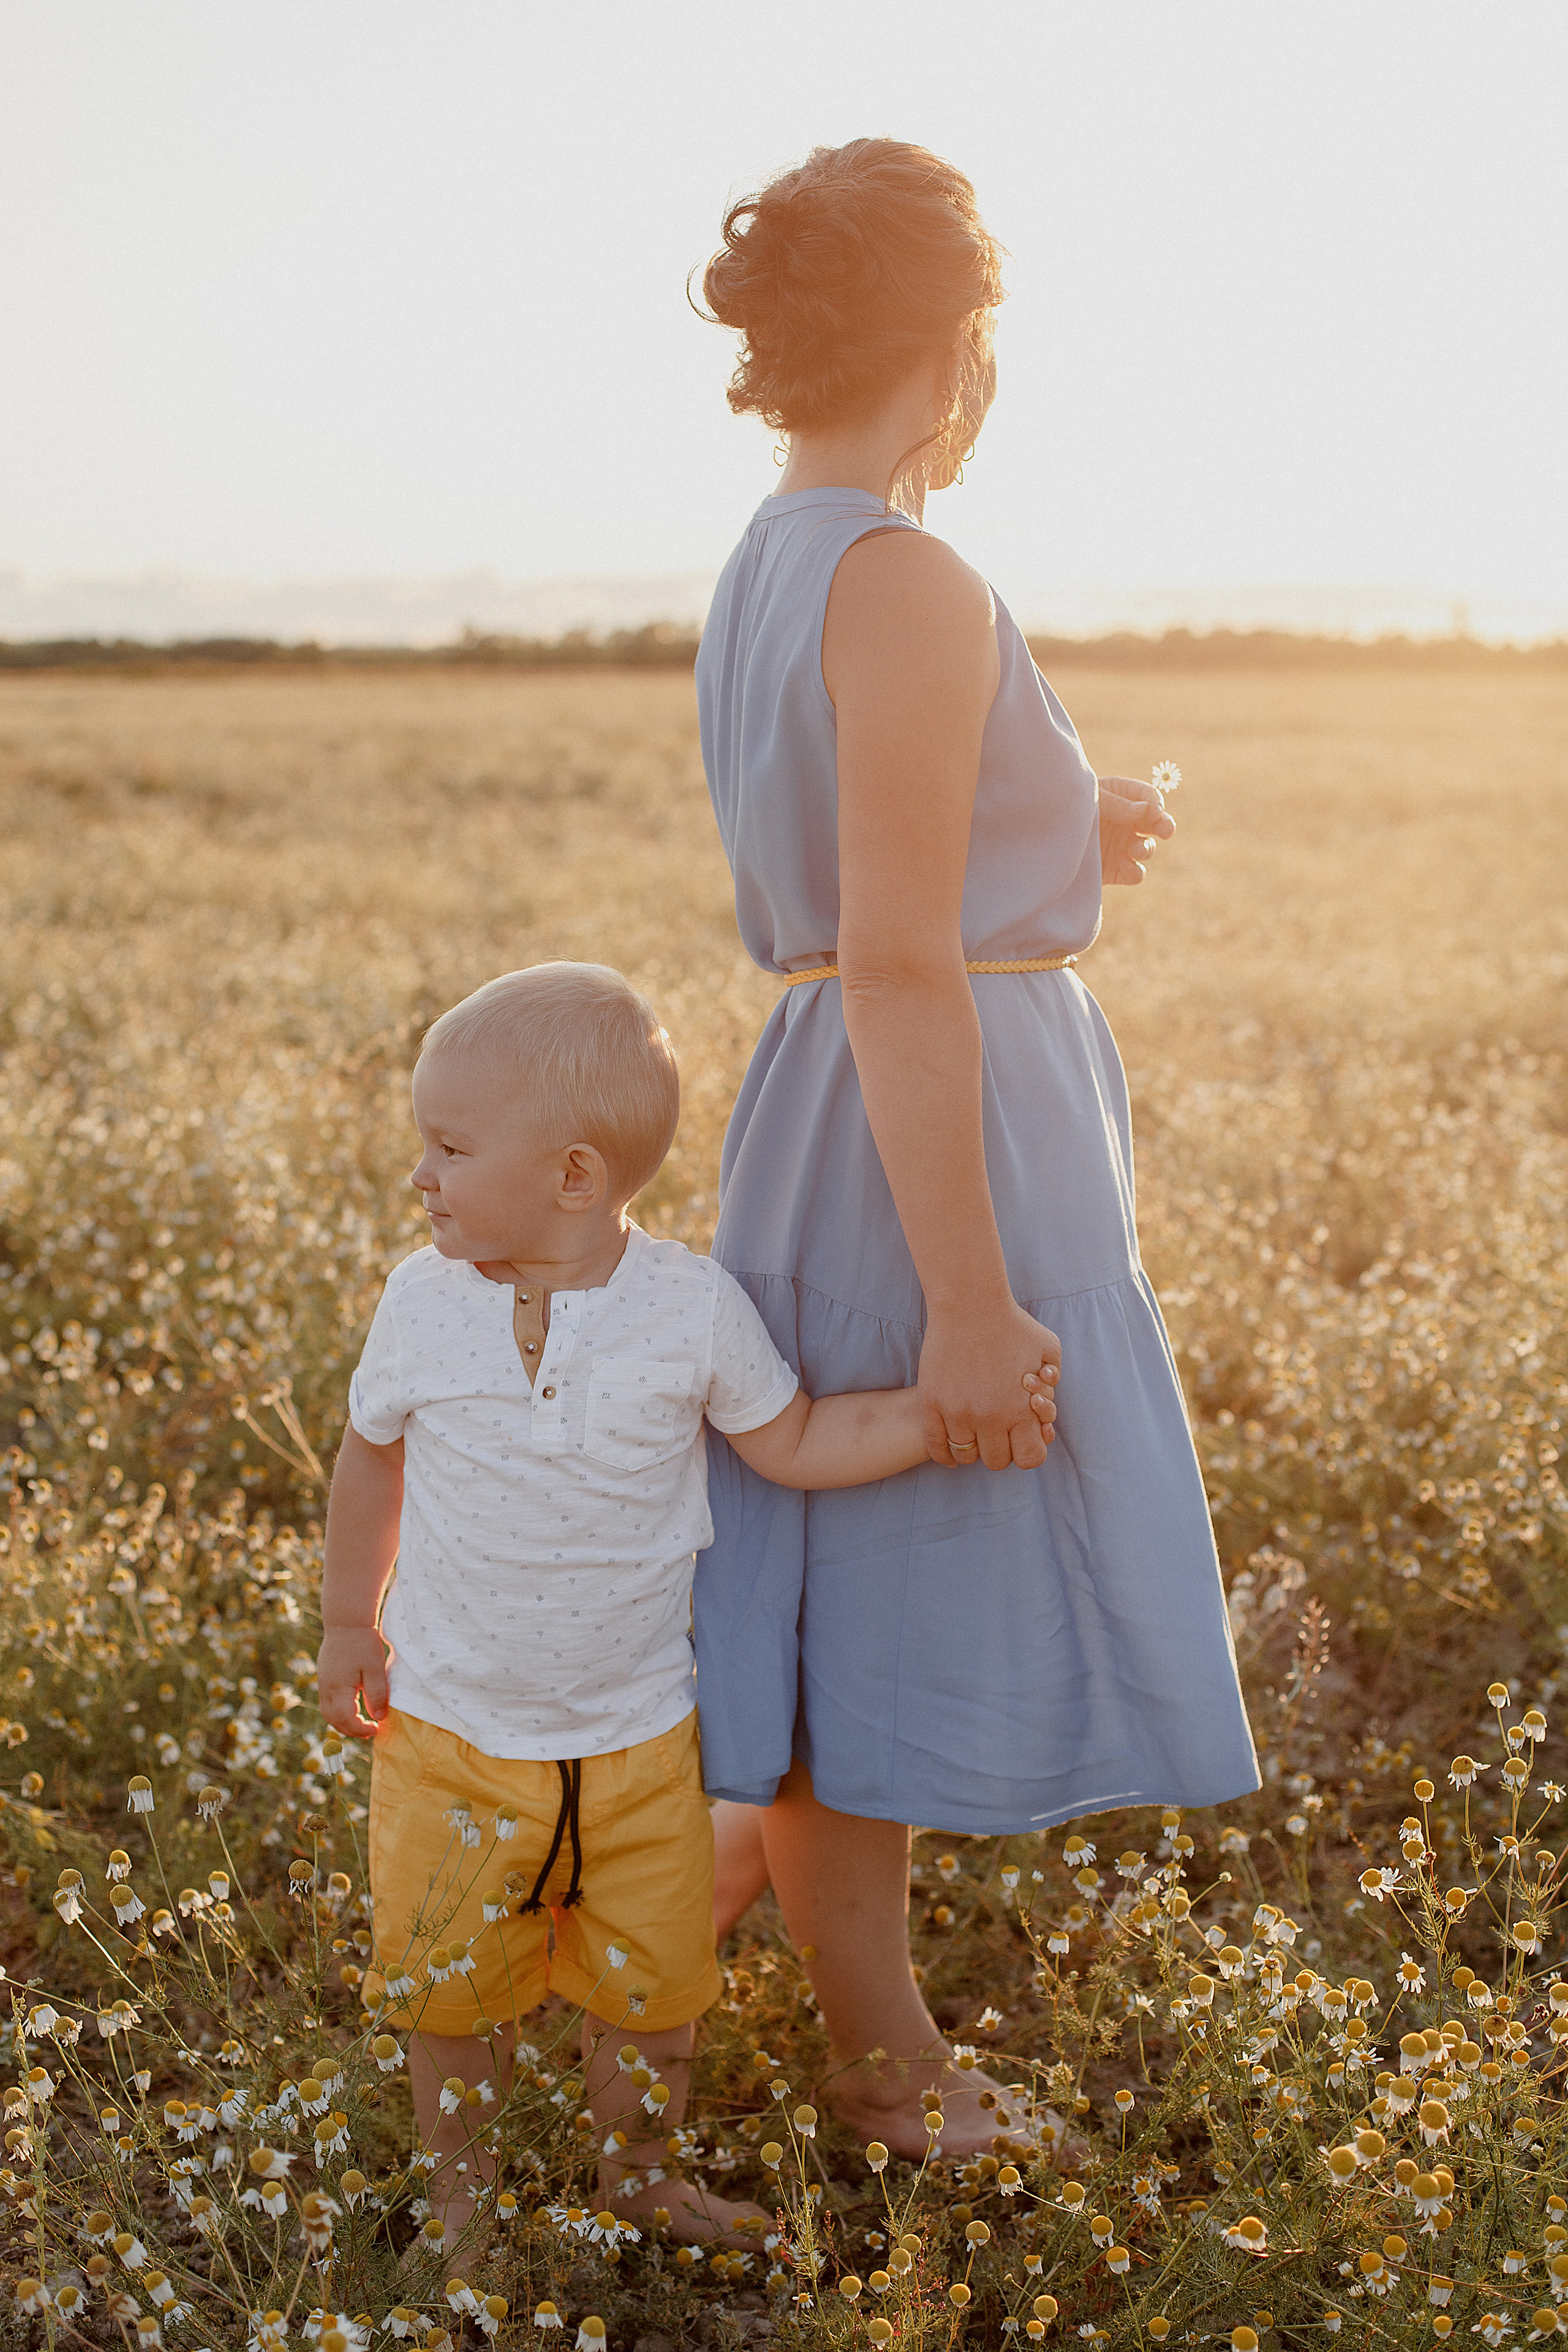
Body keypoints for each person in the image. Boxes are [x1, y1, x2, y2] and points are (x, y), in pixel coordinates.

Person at [692, 138, 1261, 2162]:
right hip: (916, 1121)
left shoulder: (779, 552)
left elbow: (870, 878)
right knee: (897, 1562)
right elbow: (910, 962)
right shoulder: (910, 572)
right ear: (953, 352)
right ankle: (886, 2068)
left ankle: (855, 2019)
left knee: (851, 1580)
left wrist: (1069, 816)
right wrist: (968, 1305)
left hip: (830, 1096)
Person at [315, 960, 1054, 2246]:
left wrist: (935, 1421)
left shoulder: (689, 1310)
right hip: (449, 1731)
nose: (419, 1176)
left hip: (639, 1737)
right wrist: (344, 1620)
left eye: (446, 1147)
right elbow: (370, 1455)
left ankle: (638, 2182)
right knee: (449, 1997)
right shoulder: (419, 1301)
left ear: (575, 1176)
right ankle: (462, 2206)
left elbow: (796, 1438)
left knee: (652, 1992)